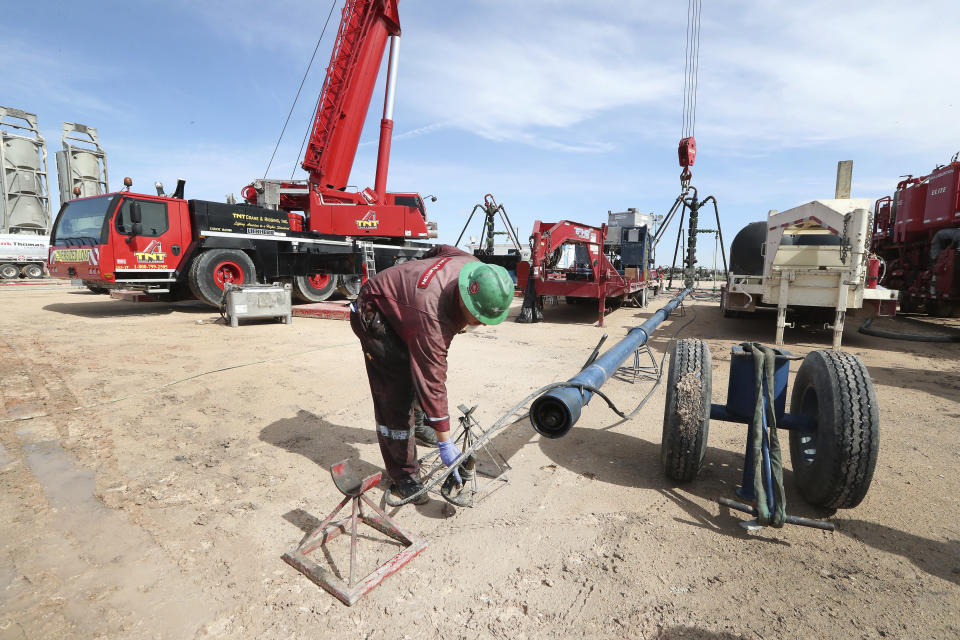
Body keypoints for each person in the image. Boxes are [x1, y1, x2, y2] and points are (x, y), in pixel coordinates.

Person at [349, 245, 514, 504]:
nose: (481, 323)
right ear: (464, 299)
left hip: (404, 307)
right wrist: (445, 443)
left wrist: (416, 274)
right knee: (396, 396)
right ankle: (403, 474)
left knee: (415, 372)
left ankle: (422, 425)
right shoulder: (432, 318)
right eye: (479, 317)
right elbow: (433, 381)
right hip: (374, 314)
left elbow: (437, 250)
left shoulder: (470, 265)